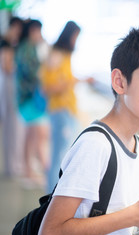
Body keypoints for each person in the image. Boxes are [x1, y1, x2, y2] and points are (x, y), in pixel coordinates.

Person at [38, 27, 139, 235]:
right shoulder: (95, 145)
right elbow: (50, 233)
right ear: (119, 82)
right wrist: (133, 215)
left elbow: (116, 225)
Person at [40, 21, 93, 193]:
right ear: (70, 35)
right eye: (76, 36)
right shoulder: (56, 56)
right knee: (59, 155)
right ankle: (51, 195)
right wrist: (76, 80)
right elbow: (48, 87)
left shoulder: (63, 55)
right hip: (60, 110)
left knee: (63, 154)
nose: (76, 40)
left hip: (67, 110)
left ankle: (54, 192)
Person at [15, 19, 49, 184]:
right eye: (39, 31)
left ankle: (28, 171)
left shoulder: (25, 47)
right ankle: (40, 172)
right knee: (38, 135)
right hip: (31, 99)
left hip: (26, 98)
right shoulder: (28, 49)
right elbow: (34, 73)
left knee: (30, 136)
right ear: (33, 30)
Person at [0, 16, 23, 177]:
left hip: (10, 88)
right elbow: (7, 67)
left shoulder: (10, 44)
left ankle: (13, 165)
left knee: (13, 128)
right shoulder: (6, 44)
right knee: (11, 127)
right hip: (8, 88)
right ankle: (12, 166)